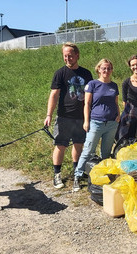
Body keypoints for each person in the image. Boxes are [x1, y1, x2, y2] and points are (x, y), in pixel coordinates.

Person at [44, 42, 93, 189]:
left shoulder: (86, 73)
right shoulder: (60, 73)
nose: (68, 58)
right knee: (60, 145)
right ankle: (57, 174)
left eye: (70, 56)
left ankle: (77, 172)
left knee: (79, 144)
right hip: (64, 116)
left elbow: (91, 96)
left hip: (81, 117)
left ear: (77, 55)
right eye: (65, 56)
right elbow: (54, 95)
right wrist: (49, 115)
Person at [73, 58, 120, 192]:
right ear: (98, 69)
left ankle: (103, 176)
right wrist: (86, 121)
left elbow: (116, 103)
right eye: (103, 68)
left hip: (111, 123)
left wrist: (118, 115)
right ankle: (77, 175)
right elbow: (86, 104)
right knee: (88, 150)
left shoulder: (114, 86)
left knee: (106, 152)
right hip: (95, 122)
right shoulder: (92, 84)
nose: (106, 70)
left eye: (109, 68)